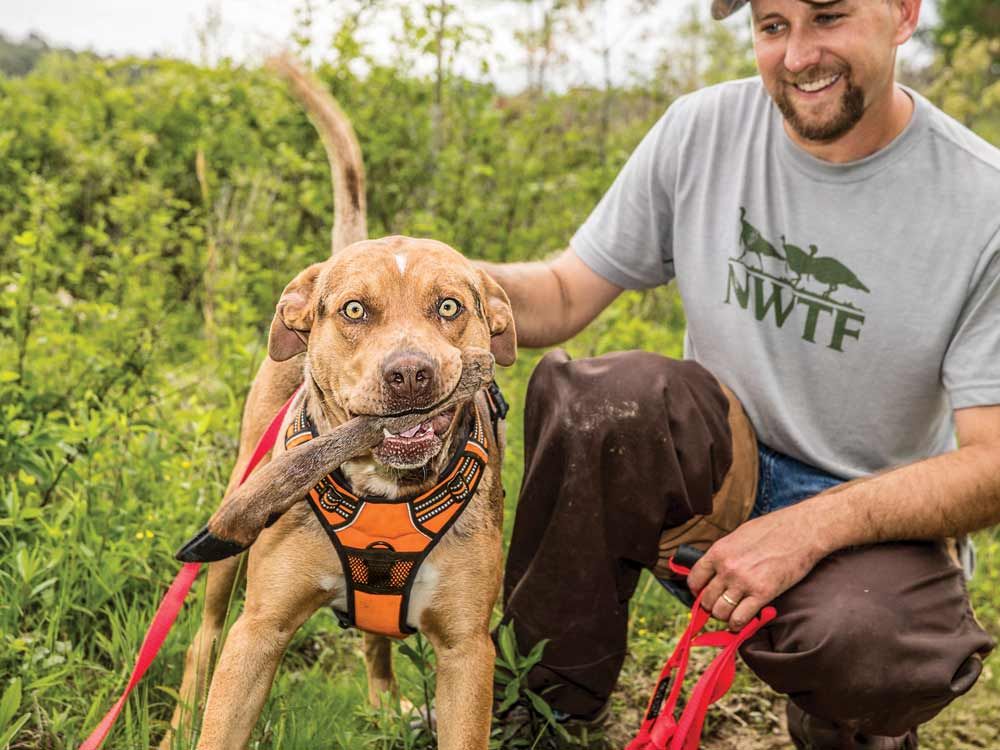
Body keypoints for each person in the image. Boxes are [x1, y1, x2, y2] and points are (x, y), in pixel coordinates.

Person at [480, 0, 1000, 747]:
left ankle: (842, 712)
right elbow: (564, 295)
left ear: (904, 14)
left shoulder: (983, 204)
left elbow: (991, 463)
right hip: (721, 467)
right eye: (772, 25)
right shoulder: (704, 129)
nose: (796, 57)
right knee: (598, 401)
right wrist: (433, 280)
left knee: (876, 646)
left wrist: (811, 528)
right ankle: (538, 705)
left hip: (870, 509)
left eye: (827, 17)